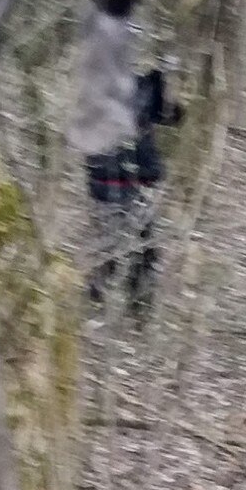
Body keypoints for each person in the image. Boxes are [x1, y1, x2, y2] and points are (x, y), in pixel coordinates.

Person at [85, 63, 182, 315]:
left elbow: (171, 115)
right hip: (111, 186)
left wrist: (160, 81)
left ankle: (138, 311)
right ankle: (96, 305)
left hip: (138, 185)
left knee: (145, 250)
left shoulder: (143, 85)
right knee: (114, 250)